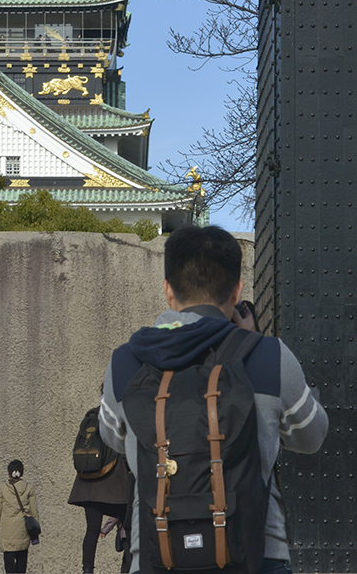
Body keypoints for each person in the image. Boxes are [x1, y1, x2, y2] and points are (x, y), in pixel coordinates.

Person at [99, 225, 329, 574]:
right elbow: (312, 437)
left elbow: (113, 438)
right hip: (257, 557)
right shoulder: (268, 356)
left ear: (167, 291)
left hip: (155, 557)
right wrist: (247, 342)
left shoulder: (125, 362)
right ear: (237, 291)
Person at [69, 411, 133, 574]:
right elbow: (123, 446)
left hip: (88, 485)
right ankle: (131, 566)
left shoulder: (89, 418)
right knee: (129, 525)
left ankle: (87, 570)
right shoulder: (115, 412)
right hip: (113, 484)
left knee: (91, 530)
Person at [0, 460, 38, 573]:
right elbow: (34, 511)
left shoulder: (2, 488)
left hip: (7, 530)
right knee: (22, 559)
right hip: (23, 529)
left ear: (9, 473)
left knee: (8, 560)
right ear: (21, 472)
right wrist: (35, 526)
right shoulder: (28, 488)